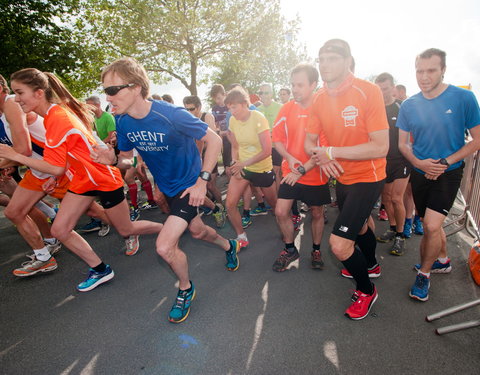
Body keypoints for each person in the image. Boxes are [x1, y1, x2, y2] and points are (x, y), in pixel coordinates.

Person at [98, 57, 240, 323]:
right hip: (168, 187)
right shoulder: (124, 122)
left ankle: (185, 289)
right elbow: (127, 158)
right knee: (197, 231)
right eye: (105, 90)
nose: (108, 97)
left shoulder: (169, 114)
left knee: (164, 246)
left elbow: (214, 139)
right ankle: (229, 245)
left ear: (137, 87)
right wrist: (114, 160)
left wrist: (201, 181)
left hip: (190, 186)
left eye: (113, 89)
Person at [0, 68, 163, 289]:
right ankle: (100, 269)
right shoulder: (50, 117)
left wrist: (14, 156)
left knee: (126, 229)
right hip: (83, 180)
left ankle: (170, 229)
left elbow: (54, 167)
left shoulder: (56, 117)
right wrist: (56, 179)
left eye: (20, 93)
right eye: (14, 93)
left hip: (102, 177)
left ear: (39, 93)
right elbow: (66, 158)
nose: (16, 99)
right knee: (60, 229)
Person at [305, 39, 389, 320]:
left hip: (369, 175)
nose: (325, 64)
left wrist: (332, 152)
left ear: (347, 61)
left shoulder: (368, 91)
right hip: (342, 176)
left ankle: (366, 290)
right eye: (321, 59)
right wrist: (322, 157)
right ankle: (372, 264)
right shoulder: (318, 97)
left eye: (332, 58)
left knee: (340, 244)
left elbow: (380, 146)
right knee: (361, 226)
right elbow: (309, 142)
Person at [396, 48, 480, 302]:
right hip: (420, 172)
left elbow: (477, 140)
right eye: (419, 71)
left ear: (443, 69)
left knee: (431, 226)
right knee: (430, 221)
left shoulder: (464, 98)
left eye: (431, 70)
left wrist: (445, 162)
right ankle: (442, 260)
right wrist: (419, 162)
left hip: (449, 172)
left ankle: (424, 273)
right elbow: (403, 144)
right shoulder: (409, 105)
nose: (424, 76)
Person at [271, 63, 330, 272]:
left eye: (300, 85)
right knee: (280, 211)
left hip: (315, 174)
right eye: (293, 85)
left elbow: (322, 151)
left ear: (313, 84)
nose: (295, 89)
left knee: (316, 213)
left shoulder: (323, 109)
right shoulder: (286, 108)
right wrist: (288, 157)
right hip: (291, 171)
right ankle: (290, 249)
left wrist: (301, 170)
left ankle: (316, 249)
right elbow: (276, 138)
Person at [225, 87, 277, 248]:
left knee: (275, 205)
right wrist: (235, 162)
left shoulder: (258, 117)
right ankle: (242, 236)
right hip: (243, 168)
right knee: (230, 204)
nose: (232, 112)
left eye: (234, 107)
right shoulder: (233, 120)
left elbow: (267, 150)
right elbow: (234, 145)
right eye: (229, 108)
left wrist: (244, 163)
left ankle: (286, 227)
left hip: (262, 168)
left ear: (244, 104)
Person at [374, 73, 411, 255]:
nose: (383, 92)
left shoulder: (401, 107)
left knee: (397, 198)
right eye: (379, 89)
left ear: (393, 87)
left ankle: (400, 236)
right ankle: (393, 227)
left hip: (401, 161)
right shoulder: (375, 108)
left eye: (386, 88)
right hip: (382, 161)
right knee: (386, 199)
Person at [183, 94, 226, 228]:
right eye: (186, 109)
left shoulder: (207, 116)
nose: (189, 112)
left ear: (199, 107)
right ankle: (210, 205)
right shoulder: (186, 118)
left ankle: (222, 208)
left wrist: (201, 151)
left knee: (210, 185)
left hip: (208, 155)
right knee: (198, 185)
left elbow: (212, 139)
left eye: (191, 109)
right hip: (195, 157)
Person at [256, 83, 283, 192]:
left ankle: (278, 199)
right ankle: (271, 200)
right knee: (266, 172)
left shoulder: (280, 107)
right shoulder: (257, 110)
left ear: (271, 94)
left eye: (266, 92)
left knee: (276, 172)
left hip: (277, 145)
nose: (264, 95)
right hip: (262, 147)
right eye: (261, 93)